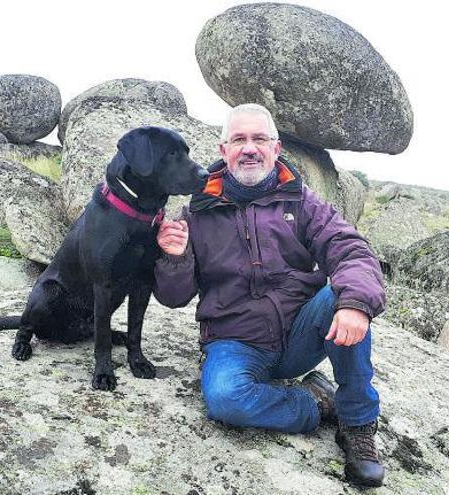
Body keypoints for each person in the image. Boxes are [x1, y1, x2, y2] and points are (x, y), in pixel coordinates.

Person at [153, 104, 387, 487]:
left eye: (259, 139)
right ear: (223, 149)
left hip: (301, 333)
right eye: (239, 140)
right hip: (235, 341)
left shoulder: (302, 201)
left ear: (275, 149)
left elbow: (351, 251)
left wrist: (355, 305)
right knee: (225, 399)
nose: (249, 148)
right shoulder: (196, 211)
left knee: (341, 299)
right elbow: (173, 297)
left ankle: (357, 422)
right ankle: (315, 403)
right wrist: (173, 259)